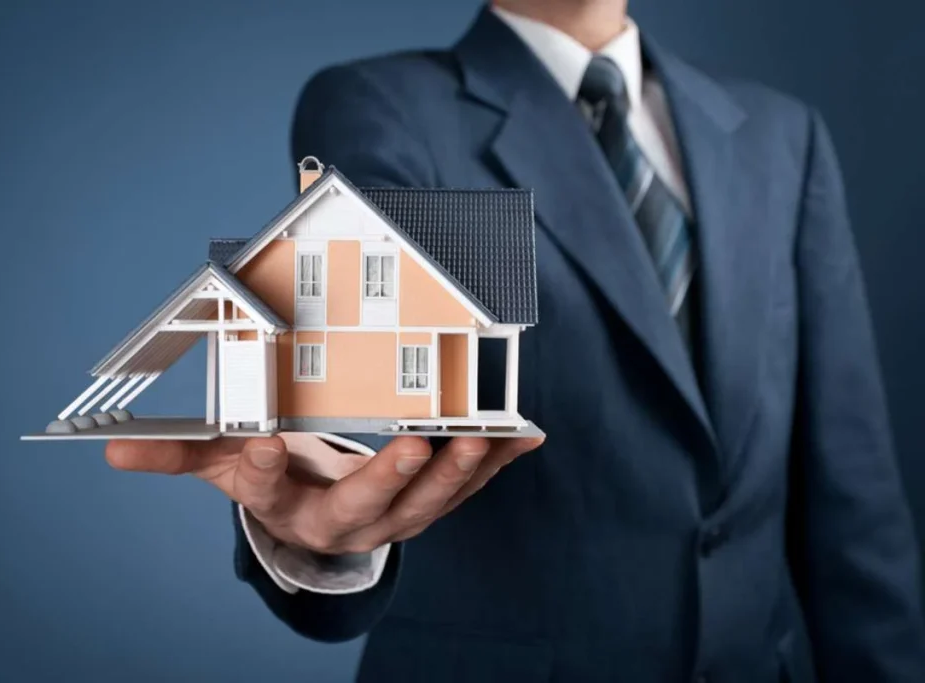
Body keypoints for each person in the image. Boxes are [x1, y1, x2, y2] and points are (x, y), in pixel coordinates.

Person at [105, 1, 925, 680]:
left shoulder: (784, 137)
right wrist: (313, 523)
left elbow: (853, 495)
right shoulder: (381, 107)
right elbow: (366, 384)